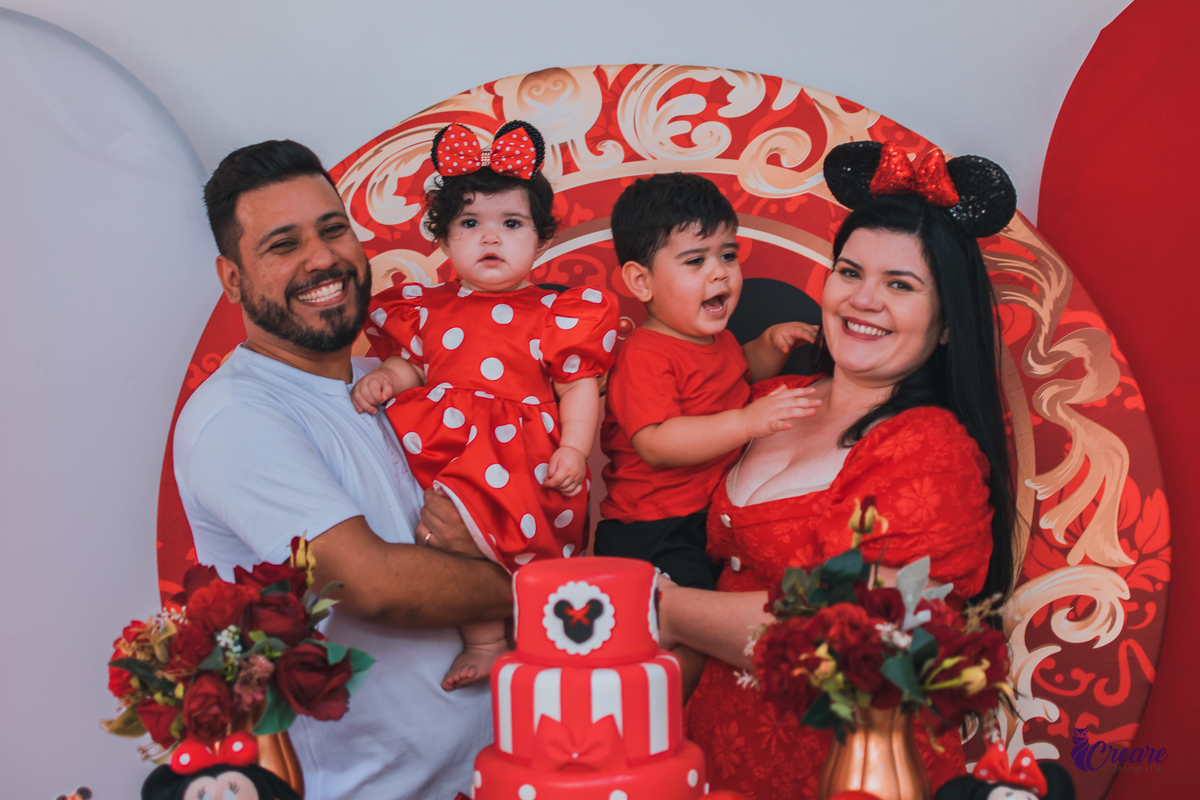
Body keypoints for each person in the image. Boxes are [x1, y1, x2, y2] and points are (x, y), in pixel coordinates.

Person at [657, 142, 1020, 799]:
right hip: (706, 760)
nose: (864, 300)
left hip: (844, 775)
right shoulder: (767, 399)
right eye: (850, 272)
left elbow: (853, 639)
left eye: (901, 285)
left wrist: (667, 611)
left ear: (944, 326)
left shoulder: (931, 451)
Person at [173, 139, 511, 800]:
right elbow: (376, 584)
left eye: (333, 230)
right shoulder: (236, 416)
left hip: (511, 772)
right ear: (233, 279)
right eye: (283, 244)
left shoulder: (396, 386)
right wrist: (557, 590)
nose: (323, 258)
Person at [351, 121, 619, 690]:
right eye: (470, 224)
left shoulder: (555, 315)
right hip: (452, 448)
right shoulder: (430, 310)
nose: (490, 238)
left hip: (522, 460)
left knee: (509, 539)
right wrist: (388, 380)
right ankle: (486, 640)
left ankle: (530, 643)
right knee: (457, 538)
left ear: (541, 240)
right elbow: (416, 365)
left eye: (511, 224)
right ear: (445, 241)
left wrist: (574, 448)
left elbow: (577, 387)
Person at [596, 172, 817, 591]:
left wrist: (770, 345)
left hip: (704, 517)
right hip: (653, 529)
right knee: (686, 620)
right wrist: (748, 423)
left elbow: (737, 374)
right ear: (641, 282)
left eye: (728, 256)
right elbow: (657, 443)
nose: (719, 273)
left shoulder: (719, 340)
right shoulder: (645, 355)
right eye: (696, 261)